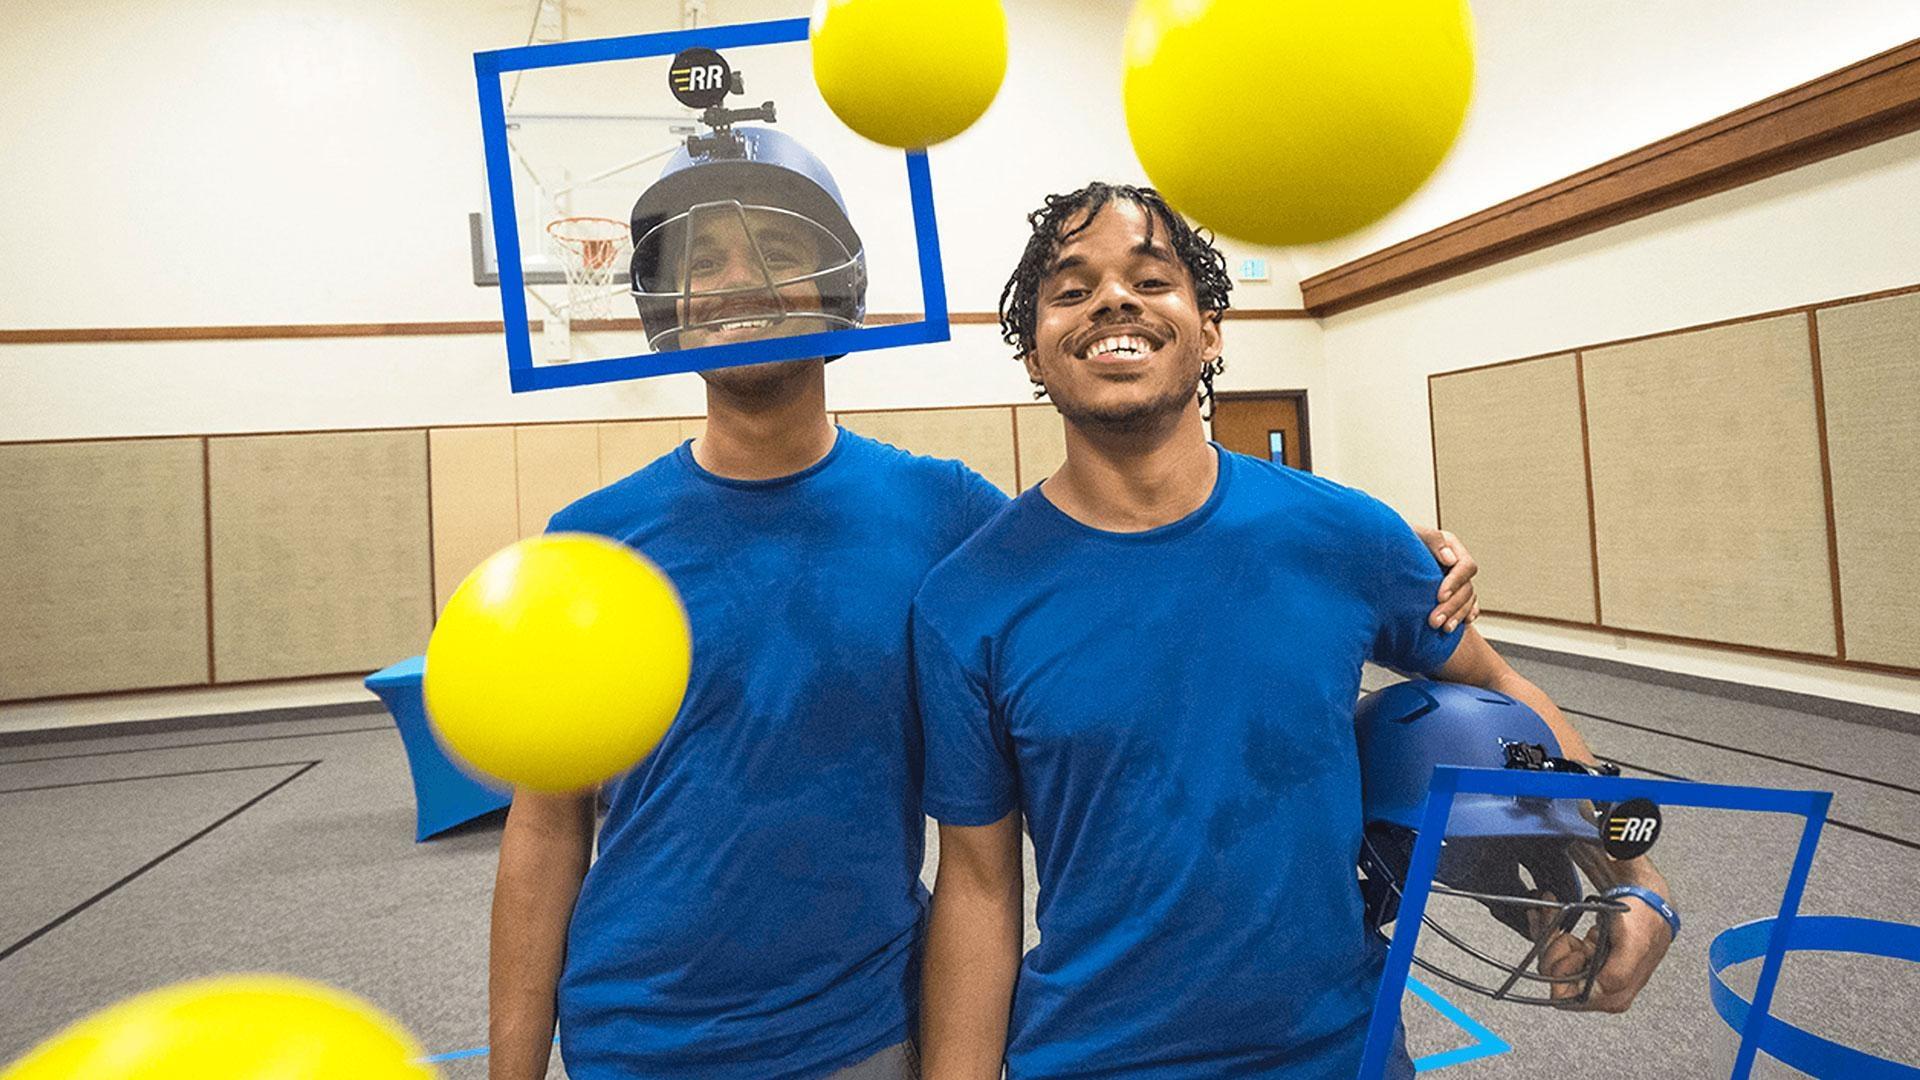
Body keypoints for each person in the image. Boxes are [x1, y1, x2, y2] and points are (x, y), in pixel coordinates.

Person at [490, 131, 1481, 1078]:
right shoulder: (590, 543)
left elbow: (1121, 555)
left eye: (779, 253)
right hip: (636, 1035)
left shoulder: (946, 515)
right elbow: (544, 826)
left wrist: (1393, 555)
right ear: (663, 302)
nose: (740, 280)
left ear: (839, 289)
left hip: (863, 1027)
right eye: (704, 261)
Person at [912, 182, 1674, 1079]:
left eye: (1151, 281)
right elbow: (978, 886)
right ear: (1034, 356)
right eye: (1072, 291)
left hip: (1340, 1049)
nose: (1113, 300)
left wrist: (1635, 876)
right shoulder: (970, 600)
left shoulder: (1346, 537)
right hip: (1091, 1056)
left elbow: (1501, 689)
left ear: (1210, 333)